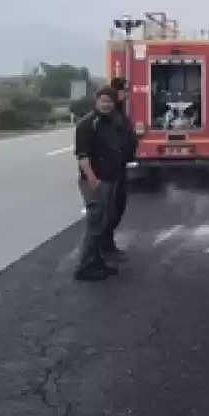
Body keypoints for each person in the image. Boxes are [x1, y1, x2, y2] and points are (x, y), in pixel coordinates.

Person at [74, 87, 123, 281]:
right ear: (96, 101)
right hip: (96, 182)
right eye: (103, 100)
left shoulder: (108, 121)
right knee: (95, 225)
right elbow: (83, 156)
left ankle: (97, 261)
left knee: (105, 222)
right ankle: (84, 267)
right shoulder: (87, 124)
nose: (106, 104)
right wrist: (93, 180)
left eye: (110, 101)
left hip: (110, 179)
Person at [104, 76, 138, 260]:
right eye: (125, 90)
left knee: (118, 206)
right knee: (110, 210)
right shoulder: (110, 115)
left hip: (120, 166)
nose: (127, 94)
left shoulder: (119, 111)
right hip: (112, 168)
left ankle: (108, 245)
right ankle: (102, 249)